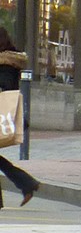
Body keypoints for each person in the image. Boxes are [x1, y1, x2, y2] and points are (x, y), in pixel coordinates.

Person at [0, 25, 40, 207]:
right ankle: (26, 183)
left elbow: (7, 87)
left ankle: (26, 183)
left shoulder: (6, 63)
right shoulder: (9, 61)